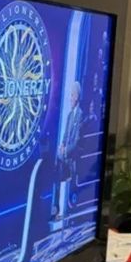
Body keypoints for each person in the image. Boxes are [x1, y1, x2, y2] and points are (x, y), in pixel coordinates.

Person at [55, 81, 83, 220]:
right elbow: (65, 135)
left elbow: (77, 141)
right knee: (56, 161)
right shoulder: (70, 115)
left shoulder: (80, 115)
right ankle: (57, 207)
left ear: (76, 96)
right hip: (66, 154)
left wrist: (66, 150)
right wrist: (62, 146)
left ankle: (64, 209)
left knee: (62, 166)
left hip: (74, 155)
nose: (70, 99)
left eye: (71, 95)